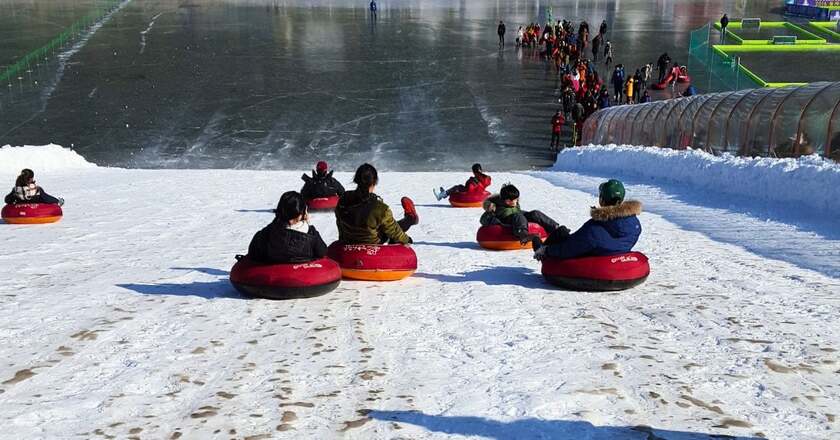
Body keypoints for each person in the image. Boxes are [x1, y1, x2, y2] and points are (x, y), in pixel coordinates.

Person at [534, 179, 641, 260]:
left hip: (592, 258)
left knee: (561, 232)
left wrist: (547, 251)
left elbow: (570, 248)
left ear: (602, 200)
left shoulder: (593, 228)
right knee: (563, 232)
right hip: (613, 254)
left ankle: (541, 250)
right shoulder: (634, 224)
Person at [336, 163, 418, 245]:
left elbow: (339, 222)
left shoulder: (344, 199)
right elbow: (394, 231)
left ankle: (410, 218)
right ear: (374, 181)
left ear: (356, 180)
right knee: (390, 228)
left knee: (383, 224)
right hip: (372, 244)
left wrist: (342, 242)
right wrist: (407, 239)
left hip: (349, 242)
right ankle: (410, 218)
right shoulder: (380, 208)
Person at [247, 191, 327, 264]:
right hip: (303, 275)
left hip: (273, 272)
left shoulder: (267, 233)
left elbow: (253, 253)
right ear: (301, 213)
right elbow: (322, 252)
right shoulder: (311, 234)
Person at [480, 184, 560, 243]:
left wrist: (530, 215)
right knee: (518, 216)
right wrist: (489, 212)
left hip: (518, 220)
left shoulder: (515, 204)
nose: (513, 202)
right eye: (510, 201)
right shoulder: (495, 206)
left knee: (535, 213)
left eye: (515, 200)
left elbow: (520, 213)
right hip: (505, 222)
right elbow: (483, 220)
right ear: (503, 199)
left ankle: (556, 228)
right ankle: (524, 236)